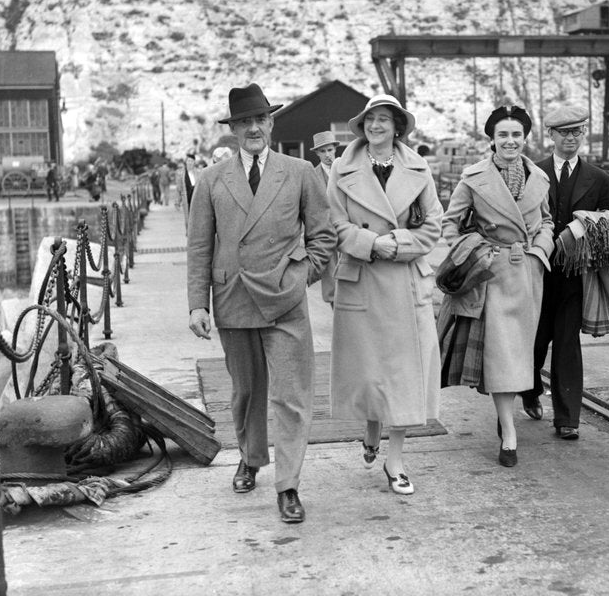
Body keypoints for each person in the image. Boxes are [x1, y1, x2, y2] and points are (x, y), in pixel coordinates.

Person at [187, 83, 336, 524]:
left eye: (259, 120)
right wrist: (197, 304)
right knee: (247, 392)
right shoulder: (211, 179)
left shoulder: (300, 172)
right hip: (232, 297)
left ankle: (288, 485)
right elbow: (199, 246)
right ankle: (250, 457)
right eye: (244, 122)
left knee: (291, 394)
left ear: (271, 124)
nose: (253, 128)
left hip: (284, 299)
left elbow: (323, 236)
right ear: (233, 130)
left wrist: (301, 276)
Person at [328, 95, 443, 495]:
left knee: (404, 377)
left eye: (384, 120)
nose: (376, 126)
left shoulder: (418, 168)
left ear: (397, 127)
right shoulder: (341, 168)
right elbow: (333, 223)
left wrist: (397, 243)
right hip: (362, 279)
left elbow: (433, 226)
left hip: (405, 281)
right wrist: (371, 244)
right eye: (370, 119)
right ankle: (371, 426)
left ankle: (395, 461)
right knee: (370, 372)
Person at [440, 105, 554, 467]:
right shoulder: (474, 178)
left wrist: (540, 251)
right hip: (492, 277)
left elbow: (547, 221)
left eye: (516, 134)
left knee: (520, 357)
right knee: (503, 359)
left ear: (525, 138)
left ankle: (506, 422)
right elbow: (449, 224)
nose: (510, 141)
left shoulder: (539, 178)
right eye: (502, 134)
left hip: (528, 274)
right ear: (492, 138)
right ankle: (509, 433)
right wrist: (475, 253)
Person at [522, 106, 609, 440]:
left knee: (566, 344)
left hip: (575, 276)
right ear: (551, 135)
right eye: (564, 132)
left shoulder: (599, 179)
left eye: (577, 131)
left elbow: (605, 225)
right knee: (534, 340)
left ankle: (567, 418)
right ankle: (529, 388)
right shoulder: (533, 172)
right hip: (536, 272)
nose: (571, 138)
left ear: (583, 133)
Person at [311, 131, 340, 306]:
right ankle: (335, 312)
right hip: (326, 233)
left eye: (330, 150)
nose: (327, 155)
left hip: (348, 229)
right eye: (323, 151)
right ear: (317, 153)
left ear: (335, 149)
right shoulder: (312, 175)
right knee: (331, 279)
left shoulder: (346, 170)